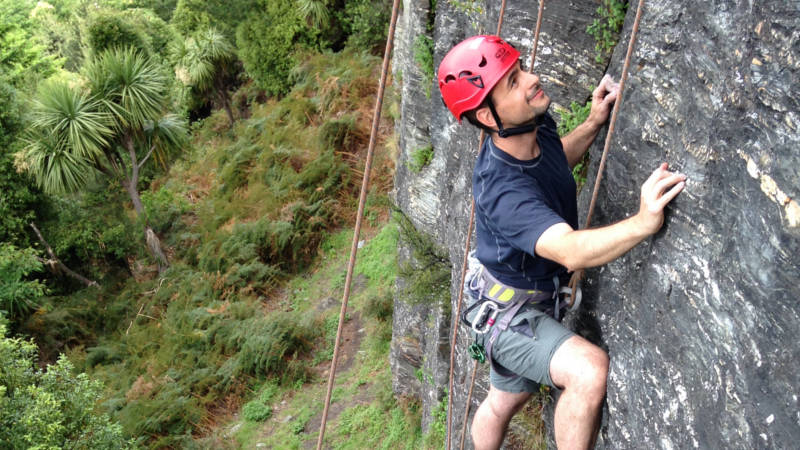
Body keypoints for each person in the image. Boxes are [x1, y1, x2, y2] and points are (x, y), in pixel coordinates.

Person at [437, 35, 686, 449]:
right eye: (513, 82)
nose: (532, 80)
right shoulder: (501, 190)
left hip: (513, 298)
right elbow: (568, 249)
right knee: (588, 372)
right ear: (486, 115)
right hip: (510, 315)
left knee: (505, 399)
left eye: (521, 70)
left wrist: (592, 124)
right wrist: (644, 222)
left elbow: (552, 164)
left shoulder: (532, 125)